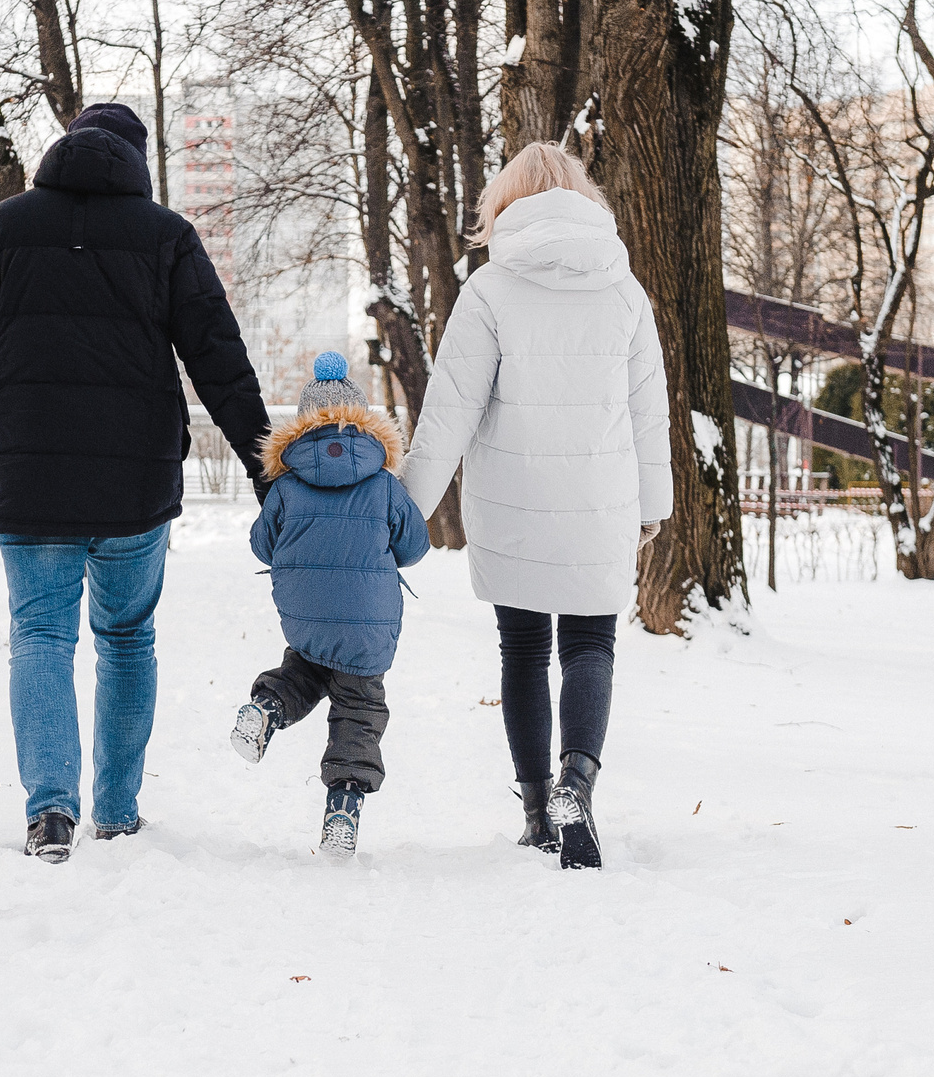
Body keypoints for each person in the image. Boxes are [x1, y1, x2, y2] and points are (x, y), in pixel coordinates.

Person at [0, 102, 271, 864]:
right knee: (126, 639)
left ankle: (50, 813)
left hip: (29, 477)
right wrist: (263, 465)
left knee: (41, 636)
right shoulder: (164, 238)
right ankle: (115, 810)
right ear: (135, 162)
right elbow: (218, 354)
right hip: (134, 486)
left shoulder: (0, 231)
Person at [399, 142, 669, 869]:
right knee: (591, 645)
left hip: (512, 502)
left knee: (522, 649)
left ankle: (534, 811)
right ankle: (576, 781)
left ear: (504, 205)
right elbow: (649, 411)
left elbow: (449, 411)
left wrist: (405, 511)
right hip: (599, 498)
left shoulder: (491, 290)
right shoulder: (624, 290)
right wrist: (654, 505)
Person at [232, 353, 430, 859]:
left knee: (307, 668)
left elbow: (262, 544)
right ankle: (343, 807)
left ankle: (267, 707)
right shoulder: (383, 484)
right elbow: (414, 546)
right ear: (366, 423)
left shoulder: (288, 483)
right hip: (367, 623)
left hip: (305, 613)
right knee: (359, 707)